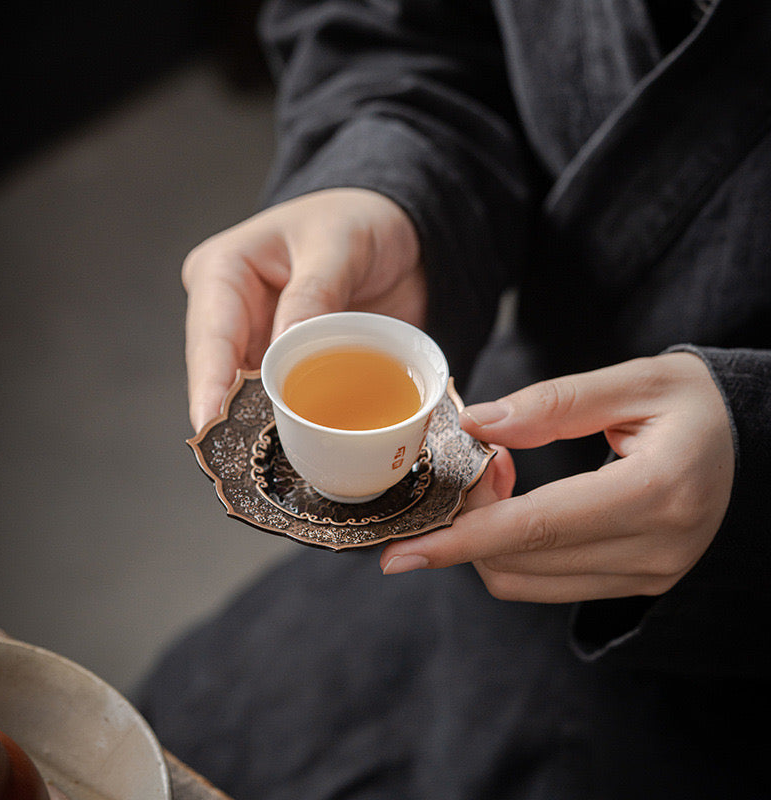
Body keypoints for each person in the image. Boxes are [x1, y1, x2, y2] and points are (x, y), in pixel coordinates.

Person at [137, 1, 771, 797]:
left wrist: (758, 455)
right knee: (177, 730)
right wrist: (390, 177)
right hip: (521, 461)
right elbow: (400, 26)